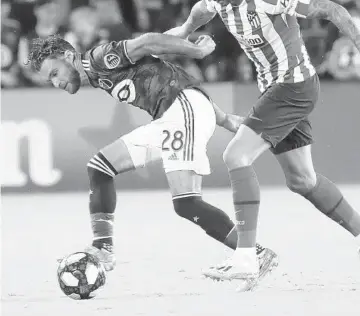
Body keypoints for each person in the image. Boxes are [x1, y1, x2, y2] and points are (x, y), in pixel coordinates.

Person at [166, 0, 360, 287]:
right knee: (302, 180)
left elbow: (331, 9)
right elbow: (200, 9)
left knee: (235, 155)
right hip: (276, 89)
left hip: (293, 85)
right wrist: (183, 30)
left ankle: (246, 257)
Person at [27, 32, 277, 292]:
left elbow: (147, 42)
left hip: (179, 109)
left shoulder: (100, 59)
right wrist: (224, 119)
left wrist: (196, 52)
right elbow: (169, 70)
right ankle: (103, 248)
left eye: (55, 73)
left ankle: (254, 253)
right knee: (100, 167)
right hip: (171, 114)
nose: (55, 82)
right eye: (50, 80)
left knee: (187, 202)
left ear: (69, 56)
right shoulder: (96, 74)